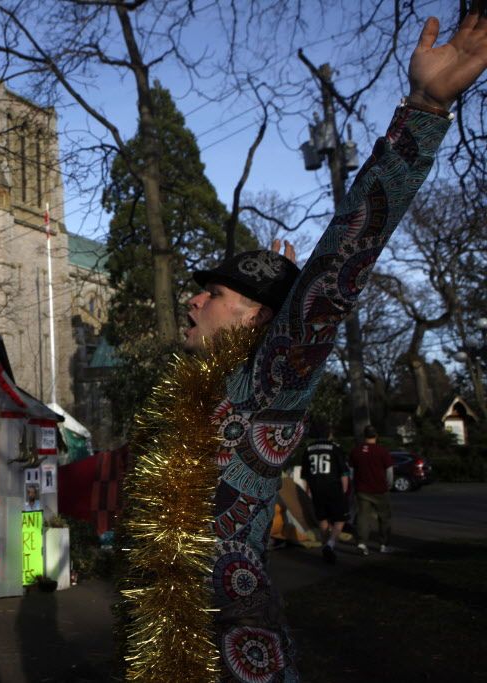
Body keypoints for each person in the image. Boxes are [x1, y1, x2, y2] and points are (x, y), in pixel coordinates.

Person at [121, 10, 487, 682]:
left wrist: (427, 106)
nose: (192, 299)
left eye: (215, 292)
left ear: (262, 319)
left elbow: (344, 260)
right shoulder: (191, 400)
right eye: (199, 290)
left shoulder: (270, 384)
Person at [300, 424, 350, 564]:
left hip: (316, 488)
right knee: (340, 518)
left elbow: (305, 475)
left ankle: (325, 543)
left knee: (323, 518)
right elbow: (344, 472)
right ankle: (330, 544)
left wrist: (308, 490)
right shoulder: (335, 447)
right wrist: (344, 489)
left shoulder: (308, 449)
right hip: (333, 487)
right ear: (329, 434)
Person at [350, 425, 395, 556]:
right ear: (376, 436)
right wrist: (389, 485)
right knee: (384, 517)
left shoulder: (356, 451)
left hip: (362, 489)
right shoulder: (382, 451)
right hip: (380, 489)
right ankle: (383, 544)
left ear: (364, 436)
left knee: (363, 517)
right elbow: (389, 471)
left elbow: (352, 471)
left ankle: (362, 543)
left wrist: (355, 485)